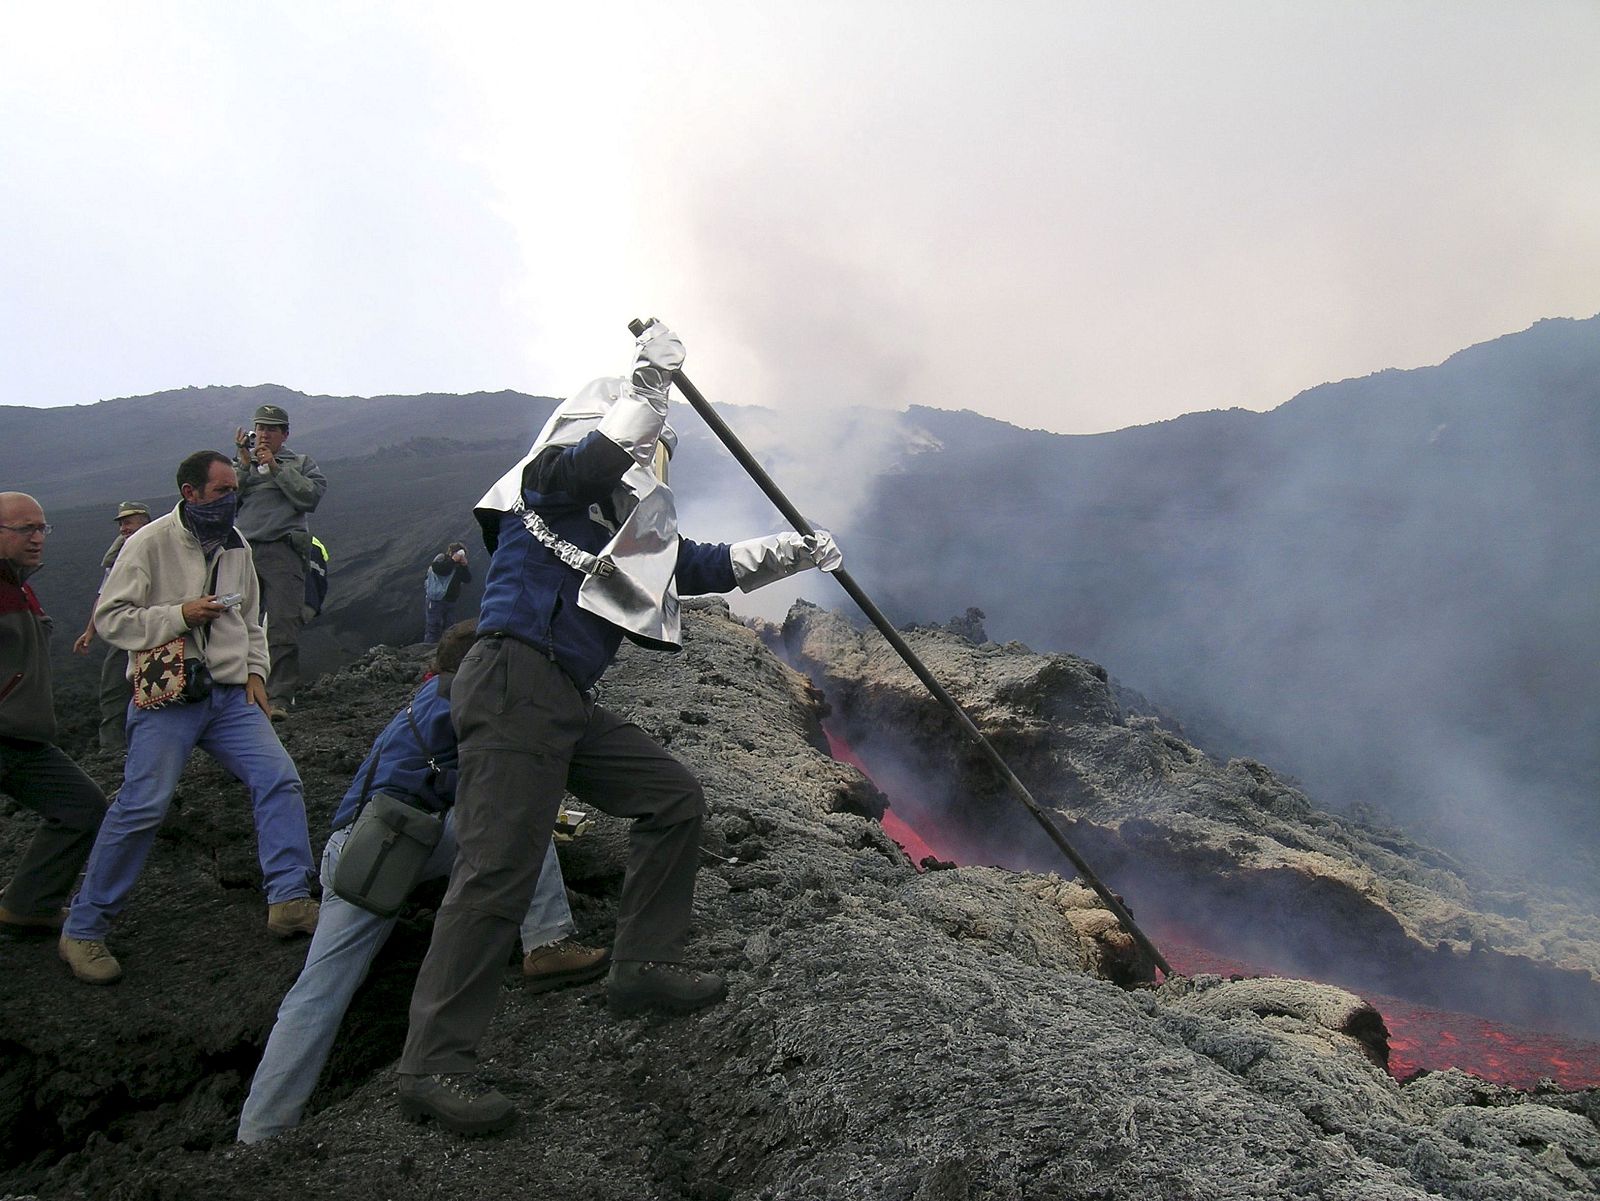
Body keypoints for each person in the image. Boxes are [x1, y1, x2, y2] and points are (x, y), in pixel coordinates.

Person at [395, 321, 842, 1135]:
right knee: (498, 869)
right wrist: (648, 386)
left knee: (672, 797)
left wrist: (795, 550)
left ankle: (640, 964)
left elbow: (698, 564)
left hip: (560, 698)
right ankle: (431, 1060)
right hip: (513, 678)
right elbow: (592, 460)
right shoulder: (552, 481)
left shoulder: (620, 529)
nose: (649, 459)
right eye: (645, 444)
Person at [236, 620, 607, 1145]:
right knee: (519, 814)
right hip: (395, 848)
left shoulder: (423, 701)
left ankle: (260, 1130)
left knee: (317, 994)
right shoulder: (472, 701)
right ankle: (546, 942)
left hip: (353, 850)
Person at [59, 452, 319, 985]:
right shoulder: (148, 543)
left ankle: (290, 899)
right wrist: (180, 614)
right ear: (190, 491)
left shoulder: (236, 545)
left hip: (228, 696)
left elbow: (251, 618)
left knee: (279, 778)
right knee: (142, 804)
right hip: (168, 696)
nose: (231, 499)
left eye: (234, 491)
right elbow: (111, 617)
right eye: (221, 490)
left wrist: (256, 674)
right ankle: (83, 929)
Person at [0, 493, 108, 937]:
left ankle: (27, 906)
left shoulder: (19, 585)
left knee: (82, 808)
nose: (37, 538)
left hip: (23, 737)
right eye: (25, 529)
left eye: (42, 528)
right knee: (80, 808)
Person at [234, 403, 327, 721]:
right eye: (260, 428)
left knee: (283, 624)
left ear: (284, 434)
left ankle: (279, 698)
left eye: (271, 429)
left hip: (283, 551)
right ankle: (237, 693)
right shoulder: (241, 466)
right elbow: (223, 502)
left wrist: (275, 467)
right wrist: (244, 467)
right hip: (242, 552)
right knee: (234, 623)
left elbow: (309, 497)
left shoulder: (301, 463)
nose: (263, 434)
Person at [72, 500, 152, 751]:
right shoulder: (118, 557)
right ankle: (112, 751)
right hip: (127, 630)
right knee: (114, 688)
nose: (123, 529)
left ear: (145, 522)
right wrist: (90, 631)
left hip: (158, 629)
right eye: (120, 524)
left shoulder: (161, 547)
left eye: (128, 522)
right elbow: (104, 596)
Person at [422, 542, 471, 643]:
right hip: (436, 600)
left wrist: (464, 566)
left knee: (450, 627)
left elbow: (467, 579)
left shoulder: (458, 566)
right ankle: (428, 649)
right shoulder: (441, 559)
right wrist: (453, 560)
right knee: (434, 626)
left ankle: (445, 647)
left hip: (451, 601)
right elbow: (441, 570)